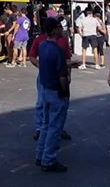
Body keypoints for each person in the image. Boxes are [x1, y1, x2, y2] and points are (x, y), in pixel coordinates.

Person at [29, 15, 73, 142]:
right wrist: (40, 66)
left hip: (58, 75)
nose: (60, 28)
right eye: (58, 26)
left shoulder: (62, 41)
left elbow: (67, 58)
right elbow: (32, 56)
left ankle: (57, 128)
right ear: (53, 29)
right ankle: (40, 128)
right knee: (42, 102)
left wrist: (68, 74)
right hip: (46, 76)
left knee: (56, 105)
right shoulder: (40, 41)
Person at [34, 17, 70, 173]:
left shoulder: (42, 45)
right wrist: (65, 91)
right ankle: (48, 159)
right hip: (56, 90)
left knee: (46, 125)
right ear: (55, 29)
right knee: (54, 127)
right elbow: (62, 77)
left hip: (46, 88)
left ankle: (40, 154)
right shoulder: (57, 50)